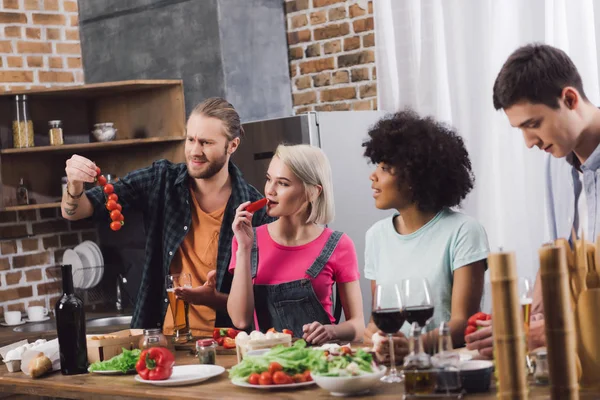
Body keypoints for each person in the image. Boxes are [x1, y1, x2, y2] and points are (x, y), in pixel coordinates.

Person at [61, 97, 272, 336]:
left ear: (232, 146)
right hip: (161, 340)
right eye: (190, 139)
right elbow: (78, 210)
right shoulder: (160, 180)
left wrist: (214, 299)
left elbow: (261, 305)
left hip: (226, 346)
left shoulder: (256, 213)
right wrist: (75, 185)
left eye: (206, 142)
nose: (194, 151)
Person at [468, 43, 600, 357]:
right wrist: (525, 318)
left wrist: (545, 331)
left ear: (569, 99)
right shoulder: (555, 166)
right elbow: (558, 253)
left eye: (533, 124)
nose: (529, 142)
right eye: (520, 129)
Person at [362, 110, 489, 362]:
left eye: (385, 168)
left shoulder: (464, 231)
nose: (373, 176)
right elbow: (377, 319)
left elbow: (462, 323)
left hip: (448, 369)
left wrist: (411, 346)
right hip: (393, 370)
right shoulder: (376, 236)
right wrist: (374, 336)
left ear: (413, 177)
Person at [227, 144, 365, 344]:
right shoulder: (246, 240)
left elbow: (359, 326)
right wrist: (244, 249)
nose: (270, 191)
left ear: (313, 192)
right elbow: (240, 320)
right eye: (268, 179)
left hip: (319, 362)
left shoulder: (339, 245)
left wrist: (331, 331)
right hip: (267, 365)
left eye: (282, 183)